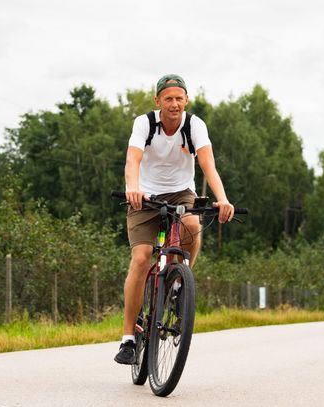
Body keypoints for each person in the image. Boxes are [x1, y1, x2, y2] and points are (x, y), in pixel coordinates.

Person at [114, 74, 234, 364]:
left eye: (179, 98)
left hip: (181, 193)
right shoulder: (145, 124)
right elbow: (132, 160)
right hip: (145, 196)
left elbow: (208, 165)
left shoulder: (194, 126)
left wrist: (223, 199)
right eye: (168, 98)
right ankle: (128, 338)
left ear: (187, 100)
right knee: (141, 258)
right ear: (158, 101)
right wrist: (133, 188)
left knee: (192, 224)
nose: (174, 104)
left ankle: (180, 283)